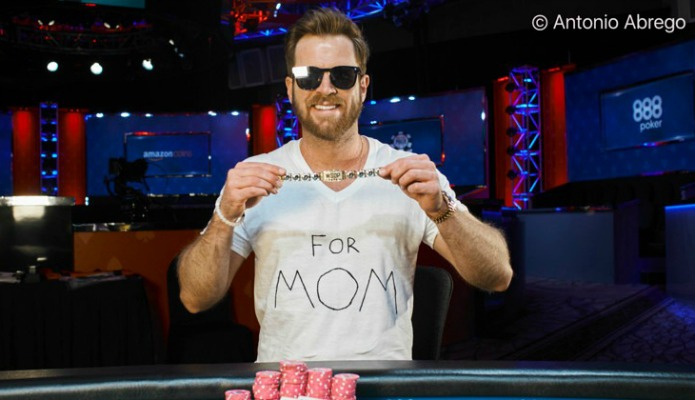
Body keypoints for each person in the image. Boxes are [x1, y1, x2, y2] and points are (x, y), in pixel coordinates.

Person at [177, 6, 513, 362]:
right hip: (287, 384)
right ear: (291, 88)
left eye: (342, 75)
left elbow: (497, 276)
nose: (325, 88)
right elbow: (195, 298)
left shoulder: (409, 173)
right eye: (308, 76)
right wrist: (224, 216)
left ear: (363, 86)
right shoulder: (254, 175)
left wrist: (442, 209)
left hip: (384, 383)